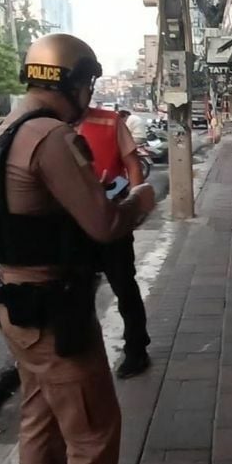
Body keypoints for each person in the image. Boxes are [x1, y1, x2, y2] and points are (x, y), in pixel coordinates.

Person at [0, 33, 156, 464]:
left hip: (14, 302)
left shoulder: (3, 129)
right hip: (51, 307)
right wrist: (144, 199)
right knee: (93, 428)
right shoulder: (51, 137)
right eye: (87, 84)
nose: (89, 94)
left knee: (39, 417)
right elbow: (102, 225)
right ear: (74, 82)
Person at [77, 106, 152, 378]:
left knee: (124, 286)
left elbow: (132, 165)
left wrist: (136, 205)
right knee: (76, 291)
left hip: (113, 216)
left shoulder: (109, 121)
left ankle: (136, 349)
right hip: (73, 225)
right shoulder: (50, 122)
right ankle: (81, 354)